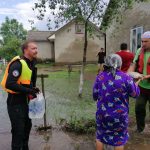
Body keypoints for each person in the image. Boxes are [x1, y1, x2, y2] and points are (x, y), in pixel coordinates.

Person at [93, 54, 140, 150]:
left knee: (100, 137)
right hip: (120, 117)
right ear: (120, 64)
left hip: (102, 115)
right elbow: (135, 94)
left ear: (106, 64)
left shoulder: (100, 77)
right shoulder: (126, 78)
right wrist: (137, 83)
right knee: (119, 139)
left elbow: (95, 96)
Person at [1, 41, 40, 150]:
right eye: (33, 48)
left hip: (26, 103)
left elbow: (26, 81)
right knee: (18, 132)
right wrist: (28, 91)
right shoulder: (18, 64)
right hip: (15, 104)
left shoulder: (32, 63)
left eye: (36, 48)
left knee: (27, 128)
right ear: (25, 50)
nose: (36, 50)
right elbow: (10, 83)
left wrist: (33, 89)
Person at [128, 31, 150, 133]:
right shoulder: (139, 51)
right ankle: (140, 128)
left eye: (146, 41)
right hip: (141, 86)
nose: (143, 44)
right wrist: (129, 73)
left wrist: (147, 76)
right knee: (139, 108)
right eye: (142, 41)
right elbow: (134, 63)